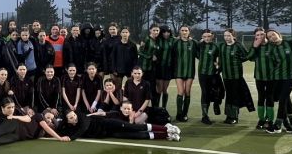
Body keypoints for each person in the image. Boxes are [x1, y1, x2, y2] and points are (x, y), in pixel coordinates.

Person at [38, 110, 180, 142]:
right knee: (135, 136)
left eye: (74, 115)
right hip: (107, 134)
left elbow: (84, 128)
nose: (74, 118)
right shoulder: (66, 126)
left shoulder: (81, 116)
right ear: (67, 121)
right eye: (71, 118)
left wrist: (71, 138)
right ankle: (166, 135)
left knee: (134, 127)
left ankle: (166, 128)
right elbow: (56, 130)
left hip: (108, 123)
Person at [217, 28, 254, 125]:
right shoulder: (222, 46)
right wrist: (218, 67)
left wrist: (238, 60)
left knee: (235, 96)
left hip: (236, 76)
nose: (226, 37)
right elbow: (220, 58)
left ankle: (234, 117)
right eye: (225, 36)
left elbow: (246, 56)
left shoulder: (238, 45)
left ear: (233, 36)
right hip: (226, 76)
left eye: (228, 35)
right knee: (229, 95)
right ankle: (229, 116)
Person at [195, 30, 224, 124]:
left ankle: (216, 104)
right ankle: (204, 116)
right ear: (202, 37)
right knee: (205, 93)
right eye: (204, 36)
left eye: (208, 36)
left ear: (212, 36)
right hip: (202, 74)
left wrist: (218, 66)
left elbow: (219, 60)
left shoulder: (216, 46)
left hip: (213, 74)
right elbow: (196, 53)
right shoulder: (199, 45)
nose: (207, 38)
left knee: (218, 92)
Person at [170, 25, 197, 122]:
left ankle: (185, 113)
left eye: (186, 30)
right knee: (180, 91)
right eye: (182, 30)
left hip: (190, 71)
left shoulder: (193, 43)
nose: (184, 32)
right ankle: (179, 114)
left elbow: (199, 54)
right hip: (179, 71)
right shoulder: (175, 42)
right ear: (179, 31)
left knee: (187, 92)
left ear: (189, 32)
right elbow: (171, 55)